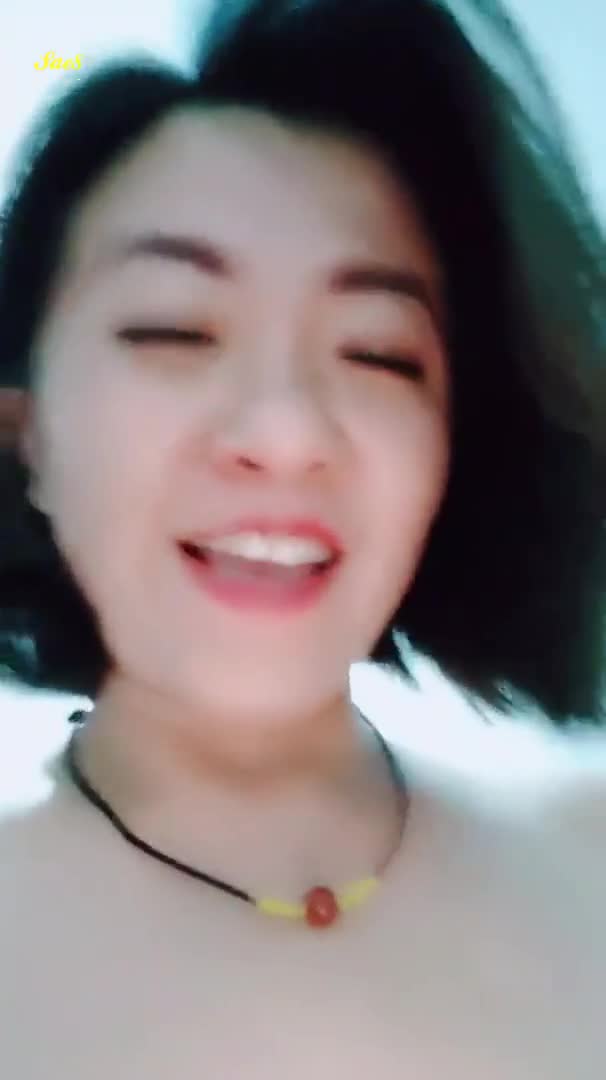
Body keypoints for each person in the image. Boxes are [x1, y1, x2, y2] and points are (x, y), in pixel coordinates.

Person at [0, 0, 605, 1075]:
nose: (285, 434)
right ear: (28, 433)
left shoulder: (586, 857)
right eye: (175, 329)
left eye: (378, 352)